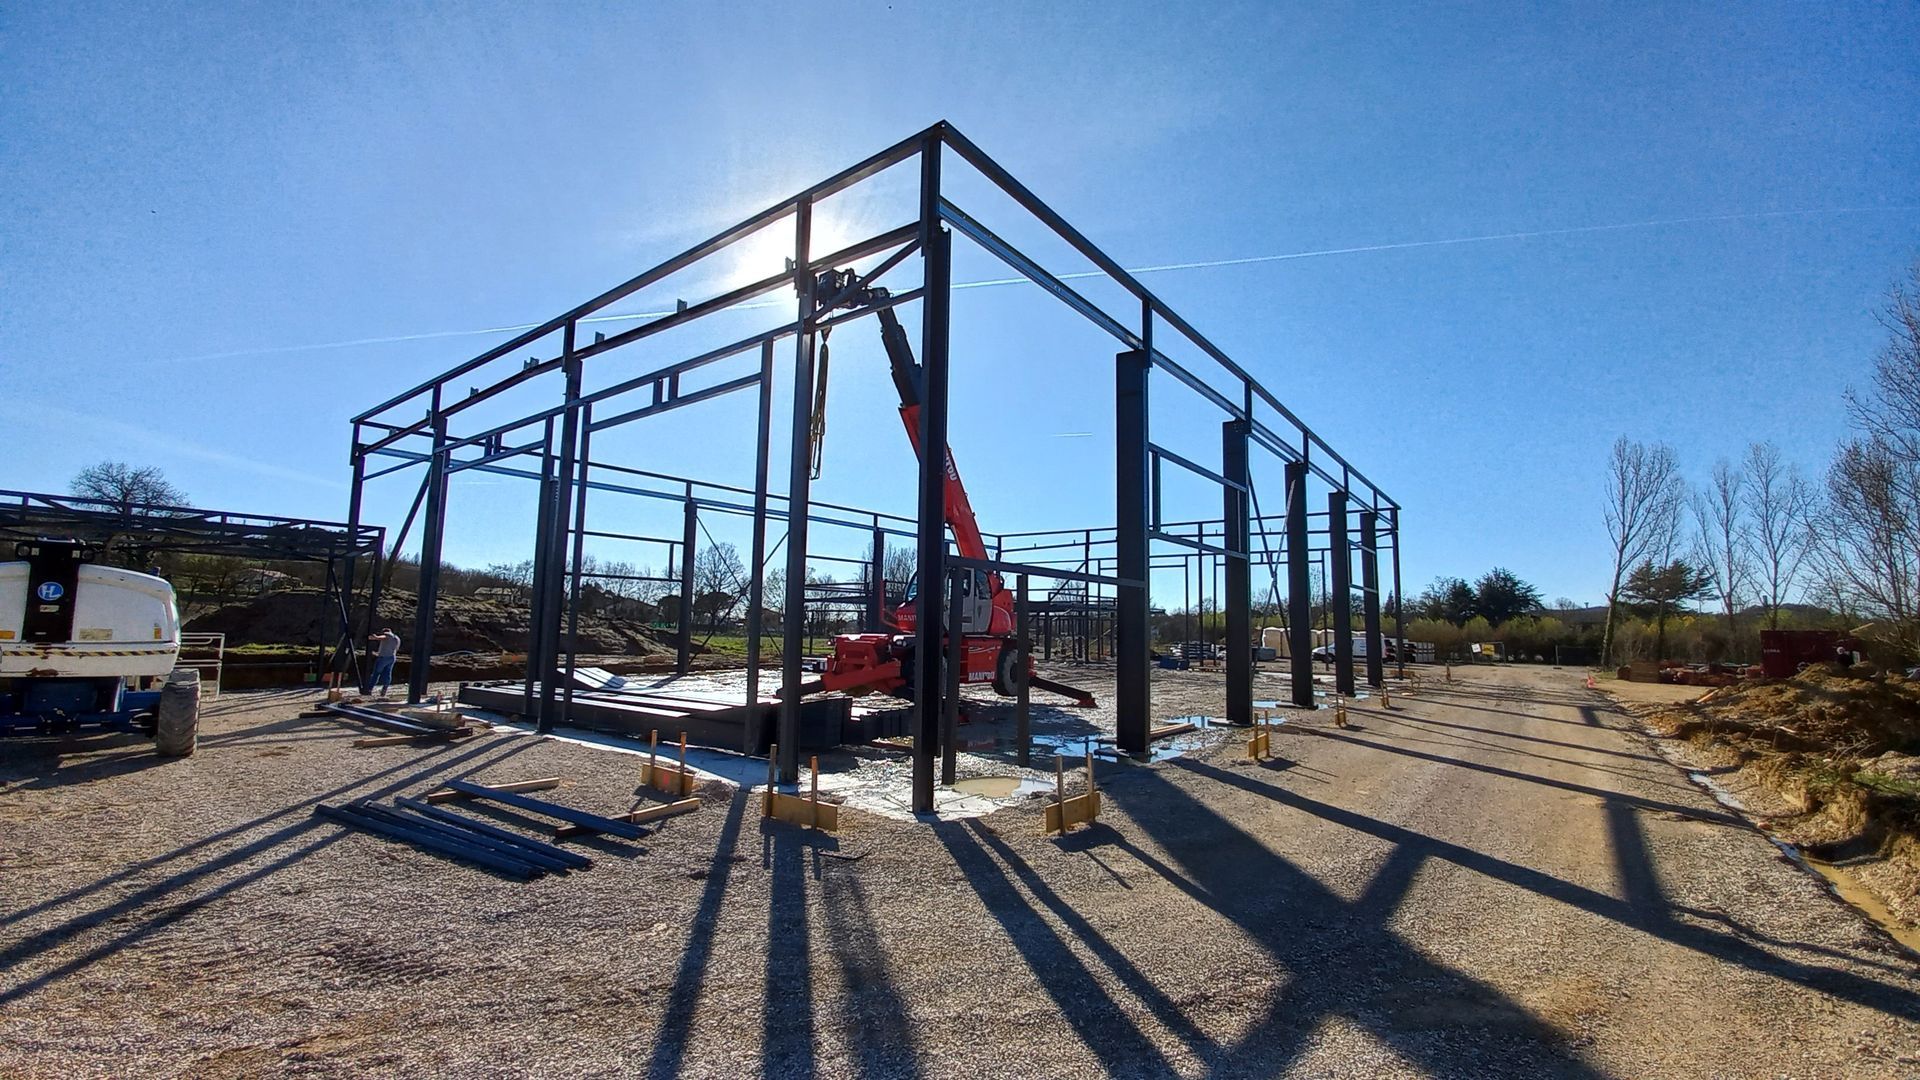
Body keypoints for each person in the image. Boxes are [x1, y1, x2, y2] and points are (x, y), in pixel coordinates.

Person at [368, 628, 401, 698]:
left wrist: (376, 637)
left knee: (376, 673)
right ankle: (384, 689)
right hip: (392, 657)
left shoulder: (387, 635)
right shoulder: (397, 638)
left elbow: (384, 637)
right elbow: (395, 649)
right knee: (388, 673)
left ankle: (369, 689)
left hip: (383, 658)